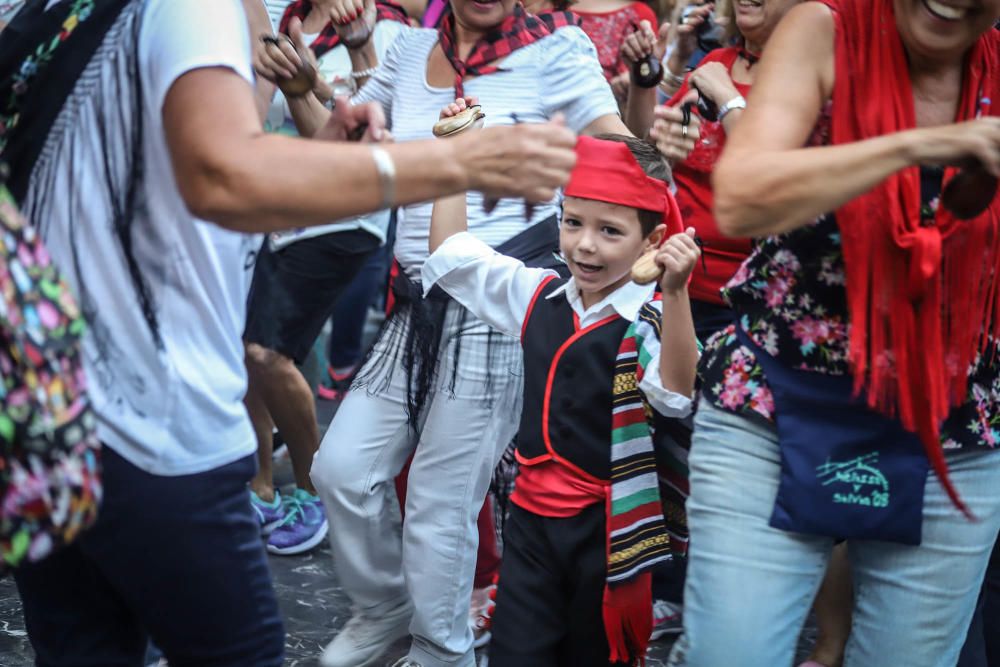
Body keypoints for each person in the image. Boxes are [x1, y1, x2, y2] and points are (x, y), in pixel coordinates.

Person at [0, 0, 576, 664]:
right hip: (153, 427)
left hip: (49, 416)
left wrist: (320, 154)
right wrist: (461, 164)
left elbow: (162, 186)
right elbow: (220, 177)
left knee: (85, 649)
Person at [253, 0, 628, 664]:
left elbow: (617, 144)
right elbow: (342, 143)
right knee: (341, 470)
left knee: (439, 509)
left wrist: (626, 125)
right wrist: (301, 90)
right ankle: (386, 607)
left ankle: (441, 651)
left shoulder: (556, 50)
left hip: (495, 305)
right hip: (416, 302)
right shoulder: (405, 50)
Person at [670, 0, 1000, 665]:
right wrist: (922, 144)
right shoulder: (825, 29)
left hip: (951, 425)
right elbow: (739, 197)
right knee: (729, 653)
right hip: (775, 407)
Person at [424, 125, 699, 666]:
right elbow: (454, 258)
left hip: (605, 536)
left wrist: (676, 292)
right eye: (572, 223)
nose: (585, 244)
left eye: (609, 231)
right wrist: (454, 158)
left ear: (652, 242)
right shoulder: (539, 294)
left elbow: (675, 393)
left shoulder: (648, 320)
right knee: (516, 654)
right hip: (528, 526)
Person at [242, 0, 408, 556]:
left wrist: (303, 90)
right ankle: (261, 485)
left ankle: (313, 493)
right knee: (252, 350)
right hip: (275, 205)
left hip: (343, 214)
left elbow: (355, 152)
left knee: (268, 352)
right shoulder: (284, 19)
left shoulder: (385, 28)